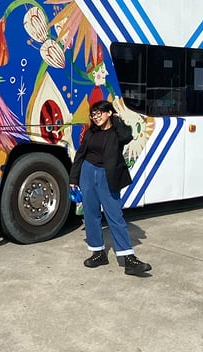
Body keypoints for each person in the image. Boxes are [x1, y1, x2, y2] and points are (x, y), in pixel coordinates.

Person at [69, 99, 152, 276]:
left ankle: (129, 259)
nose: (95, 117)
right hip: (88, 173)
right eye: (93, 114)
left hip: (108, 176)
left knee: (115, 216)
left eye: (99, 113)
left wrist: (117, 119)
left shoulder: (117, 132)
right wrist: (73, 178)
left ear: (108, 113)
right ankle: (98, 253)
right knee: (91, 215)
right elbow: (81, 154)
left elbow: (127, 136)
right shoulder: (91, 132)